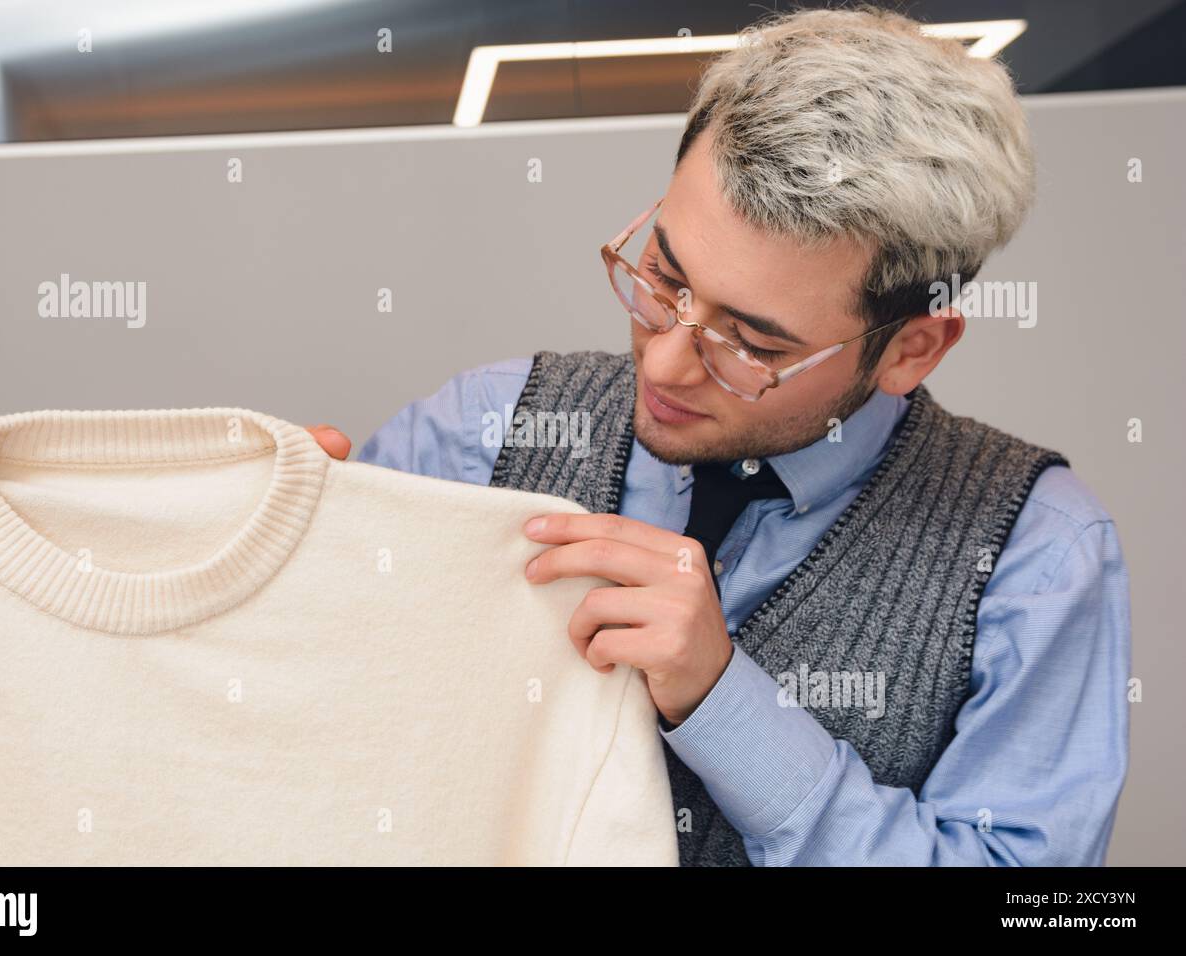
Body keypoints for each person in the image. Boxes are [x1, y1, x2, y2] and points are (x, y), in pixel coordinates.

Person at [307, 6, 1130, 866]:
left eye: (753, 344)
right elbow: (320, 734)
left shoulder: (1040, 557)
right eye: (663, 276)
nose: (662, 366)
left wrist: (723, 702)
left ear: (911, 348)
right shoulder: (478, 431)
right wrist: (278, 550)